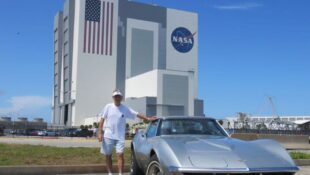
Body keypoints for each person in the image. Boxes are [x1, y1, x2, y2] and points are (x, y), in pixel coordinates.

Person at [98, 89, 157, 175]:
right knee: (108, 155)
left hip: (119, 137)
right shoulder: (108, 107)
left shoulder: (125, 108)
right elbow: (102, 120)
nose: (117, 98)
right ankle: (110, 173)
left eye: (118, 96)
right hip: (108, 136)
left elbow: (137, 114)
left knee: (120, 155)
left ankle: (120, 173)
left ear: (121, 97)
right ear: (113, 97)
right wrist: (100, 132)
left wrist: (147, 118)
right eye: (115, 96)